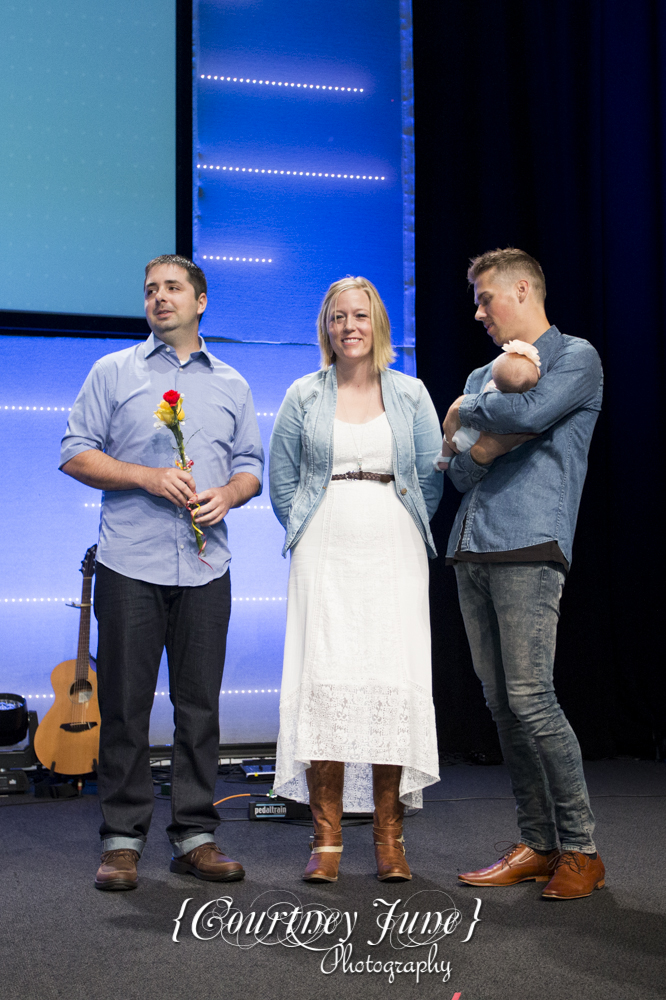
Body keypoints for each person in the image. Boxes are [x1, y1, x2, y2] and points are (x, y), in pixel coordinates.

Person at [60, 255, 264, 890]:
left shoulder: (232, 382)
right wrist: (147, 477)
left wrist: (229, 494)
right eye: (150, 290)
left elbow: (252, 464)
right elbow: (74, 453)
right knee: (123, 707)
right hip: (130, 562)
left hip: (207, 567)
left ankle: (196, 836)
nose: (159, 298)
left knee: (199, 708)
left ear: (201, 301)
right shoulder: (113, 371)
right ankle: (122, 840)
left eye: (173, 288)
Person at [442, 248, 605, 900]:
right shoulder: (488, 370)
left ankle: (583, 850)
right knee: (502, 708)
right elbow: (457, 469)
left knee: (533, 701)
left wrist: (466, 412)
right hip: (472, 548)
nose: (478, 313)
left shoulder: (577, 358)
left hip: (531, 547)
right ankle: (539, 844)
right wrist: (483, 439)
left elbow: (532, 416)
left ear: (520, 288)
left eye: (486, 298)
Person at [269, 276, 443, 883]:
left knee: (389, 681)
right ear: (326, 327)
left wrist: (400, 519)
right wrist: (307, 528)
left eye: (360, 316)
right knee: (326, 679)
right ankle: (327, 841)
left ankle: (390, 841)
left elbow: (429, 475)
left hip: (394, 545)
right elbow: (282, 482)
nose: (350, 326)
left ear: (379, 325)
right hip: (324, 546)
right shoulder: (301, 394)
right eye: (338, 316)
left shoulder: (412, 393)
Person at [434, 340, 541, 468]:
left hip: (471, 439)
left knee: (448, 437)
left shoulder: (490, 389)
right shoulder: (529, 402)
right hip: (508, 443)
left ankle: (443, 459)